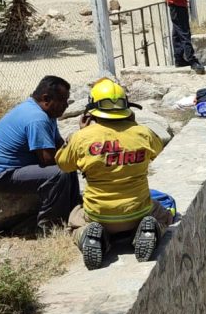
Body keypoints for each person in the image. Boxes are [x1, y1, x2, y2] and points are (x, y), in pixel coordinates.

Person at [56, 78, 173, 270]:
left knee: (75, 219)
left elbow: (63, 165)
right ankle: (150, 229)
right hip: (138, 212)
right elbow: (158, 149)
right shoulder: (143, 133)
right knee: (164, 214)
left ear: (91, 110)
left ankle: (91, 236)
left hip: (99, 214)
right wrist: (132, 126)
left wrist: (81, 133)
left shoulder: (81, 138)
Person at [0, 75, 80, 233]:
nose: (66, 105)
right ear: (46, 98)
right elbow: (49, 160)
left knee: (67, 164)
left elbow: (60, 146)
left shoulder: (45, 112)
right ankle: (50, 226)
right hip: (1, 174)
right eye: (63, 100)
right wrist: (73, 158)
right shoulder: (37, 119)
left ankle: (75, 207)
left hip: (17, 167)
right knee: (60, 172)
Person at [163, 0, 205, 74]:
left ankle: (179, 59)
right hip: (177, 6)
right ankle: (192, 60)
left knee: (177, 33)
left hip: (176, 6)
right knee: (184, 32)